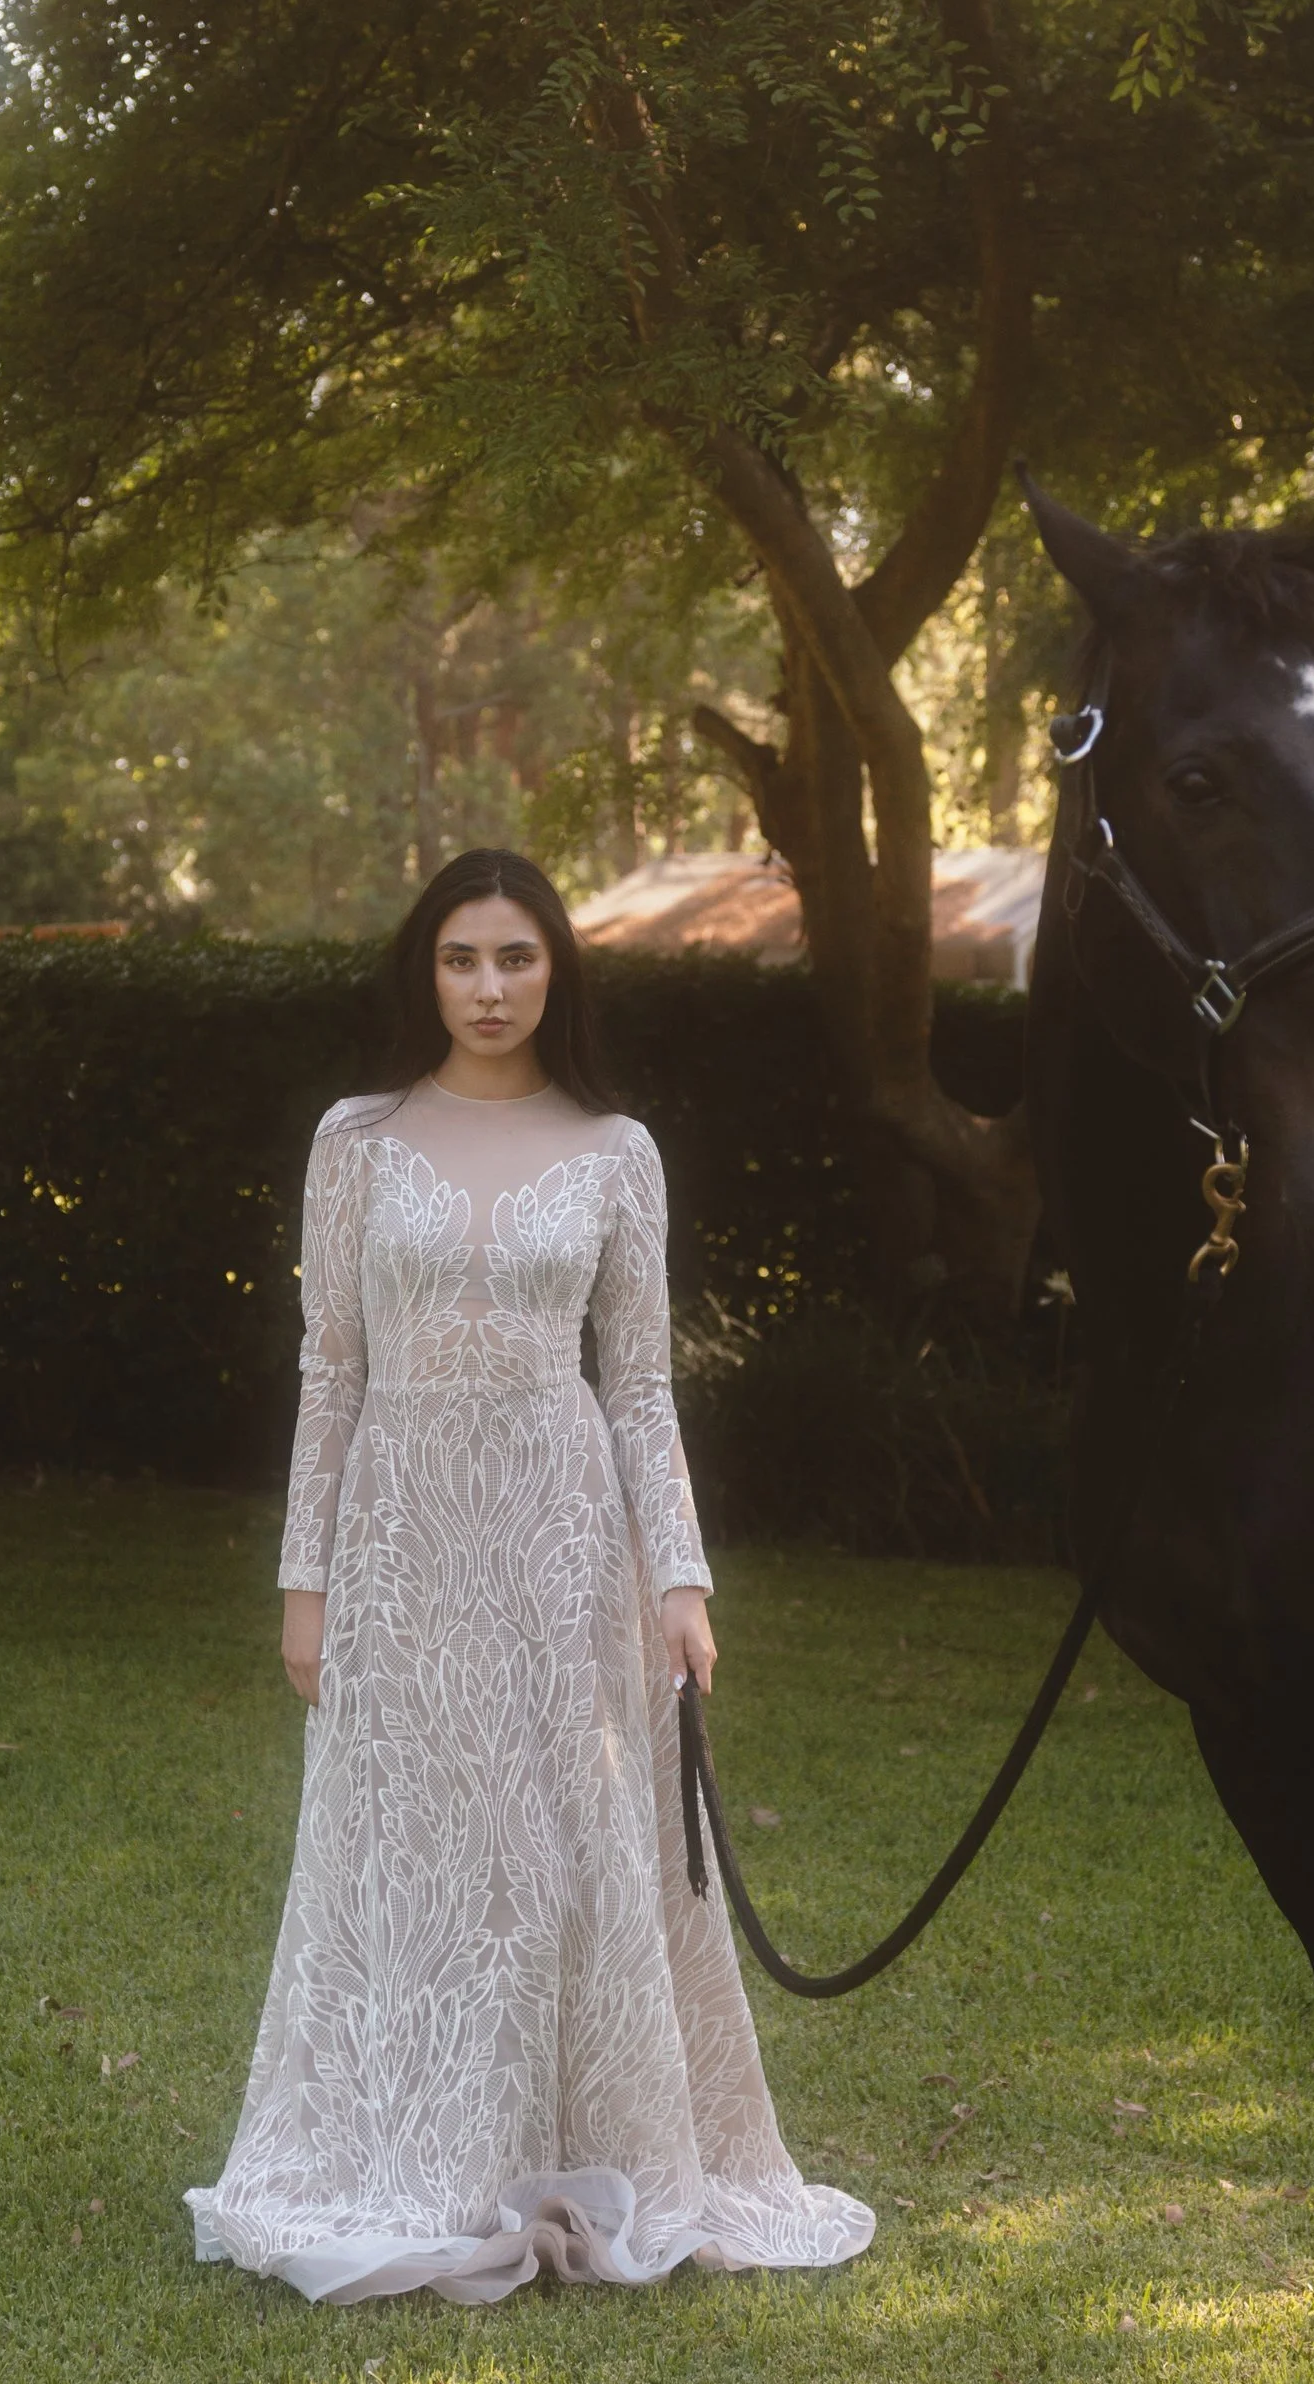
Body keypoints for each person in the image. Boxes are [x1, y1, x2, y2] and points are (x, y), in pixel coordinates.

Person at [186, 847, 873, 2305]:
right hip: (399, 1535)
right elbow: (330, 1368)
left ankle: (577, 2139)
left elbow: (641, 1385)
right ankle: (408, 2148)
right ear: (424, 974)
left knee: (561, 1840)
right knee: (410, 1840)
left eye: (515, 957)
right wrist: (304, 1579)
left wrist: (680, 1578)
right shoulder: (356, 1140)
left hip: (567, 1543)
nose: (489, 988)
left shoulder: (618, 1150)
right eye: (460, 959)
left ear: (556, 970)